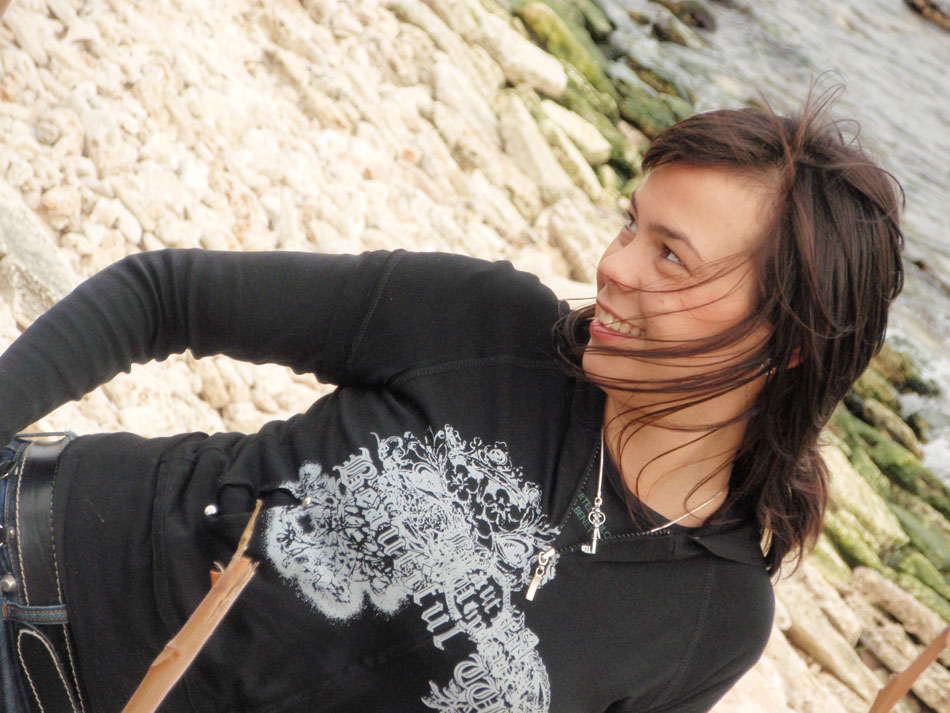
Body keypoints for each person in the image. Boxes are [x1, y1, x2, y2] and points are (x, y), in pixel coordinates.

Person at [0, 95, 903, 713]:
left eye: (671, 256)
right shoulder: (488, 325)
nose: (613, 265)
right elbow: (163, 295)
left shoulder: (715, 613)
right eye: (632, 223)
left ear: (785, 342)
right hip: (31, 578)